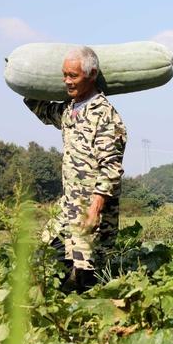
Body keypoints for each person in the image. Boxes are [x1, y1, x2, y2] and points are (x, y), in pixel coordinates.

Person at [24, 46, 127, 292]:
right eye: (64, 75)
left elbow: (110, 167)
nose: (66, 81)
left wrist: (95, 209)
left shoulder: (104, 115)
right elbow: (42, 109)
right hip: (67, 210)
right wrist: (23, 78)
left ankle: (93, 324)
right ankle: (48, 321)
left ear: (91, 75)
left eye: (73, 76)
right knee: (43, 267)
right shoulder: (69, 109)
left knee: (88, 280)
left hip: (91, 211)